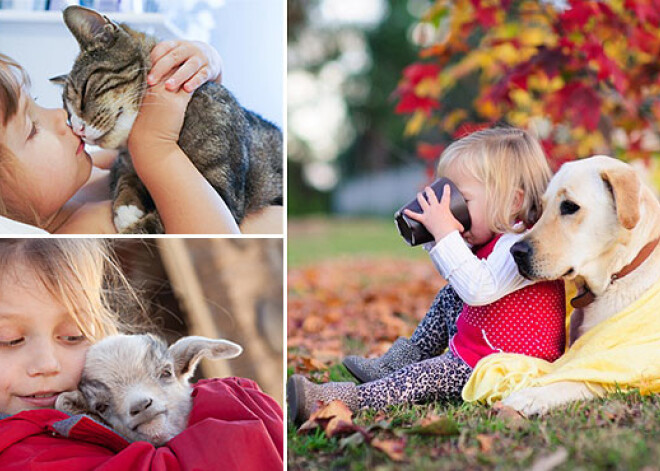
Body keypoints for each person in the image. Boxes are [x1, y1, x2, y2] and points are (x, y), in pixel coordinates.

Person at [288, 127, 566, 424]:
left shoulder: (521, 245)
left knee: (420, 377)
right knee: (448, 296)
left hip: (502, 368)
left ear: (513, 201)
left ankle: (336, 398)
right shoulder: (493, 240)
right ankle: (401, 359)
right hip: (480, 355)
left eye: (464, 201)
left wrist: (445, 232)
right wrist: (437, 237)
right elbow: (457, 280)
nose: (454, 211)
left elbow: (477, 289)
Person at [0, 238, 283, 470]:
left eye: (73, 336)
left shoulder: (75, 424)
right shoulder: (22, 455)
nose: (47, 364)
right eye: (9, 339)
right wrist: (232, 399)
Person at [0, 40, 281, 234]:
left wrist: (204, 66)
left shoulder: (92, 171)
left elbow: (202, 137)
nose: (61, 117)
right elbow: (219, 246)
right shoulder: (80, 238)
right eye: (32, 128)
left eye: (36, 101)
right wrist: (156, 149)